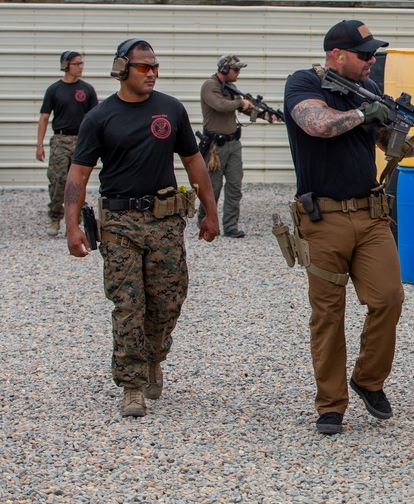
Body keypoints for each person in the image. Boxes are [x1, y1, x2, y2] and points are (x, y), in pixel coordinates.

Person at [283, 19, 414, 435]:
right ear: (336, 55)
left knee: (389, 298)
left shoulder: (371, 92)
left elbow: (390, 143)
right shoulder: (304, 83)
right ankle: (331, 405)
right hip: (322, 218)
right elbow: (316, 124)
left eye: (374, 54)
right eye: (365, 55)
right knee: (328, 314)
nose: (372, 61)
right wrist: (363, 112)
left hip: (370, 214)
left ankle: (367, 379)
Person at [64, 38, 221, 418]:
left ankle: (154, 357)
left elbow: (194, 163)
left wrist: (210, 211)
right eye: (142, 67)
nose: (151, 73)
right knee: (128, 303)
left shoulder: (171, 109)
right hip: (120, 224)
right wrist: (72, 227)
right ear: (122, 69)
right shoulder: (99, 118)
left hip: (166, 221)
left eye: (155, 67)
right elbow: (79, 174)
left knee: (168, 301)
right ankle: (132, 384)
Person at [198, 54, 277, 238]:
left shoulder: (231, 88)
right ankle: (204, 219)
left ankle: (230, 226)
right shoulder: (210, 86)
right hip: (215, 148)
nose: (238, 73)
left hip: (233, 144)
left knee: (234, 186)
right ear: (224, 69)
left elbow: (245, 108)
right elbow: (220, 105)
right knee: (213, 187)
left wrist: (264, 114)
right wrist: (241, 102)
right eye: (236, 69)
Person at [36, 51, 99, 236]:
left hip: (81, 140)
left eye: (82, 63)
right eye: (76, 63)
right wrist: (39, 145)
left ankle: (75, 223)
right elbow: (44, 117)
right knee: (57, 180)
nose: (81, 66)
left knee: (78, 182)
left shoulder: (87, 89)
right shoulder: (54, 90)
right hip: (60, 140)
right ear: (65, 65)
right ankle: (55, 217)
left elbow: (95, 118)